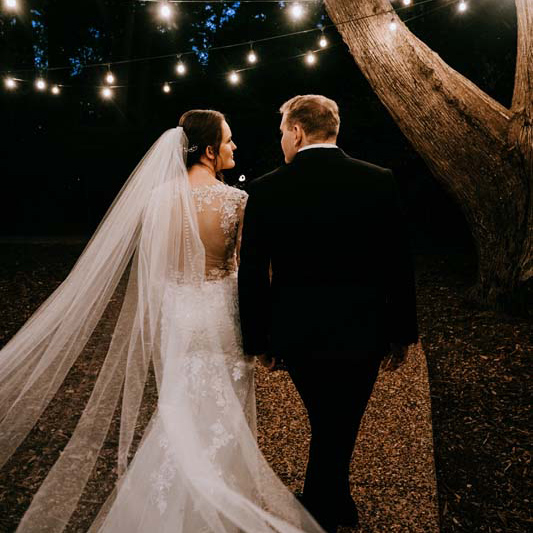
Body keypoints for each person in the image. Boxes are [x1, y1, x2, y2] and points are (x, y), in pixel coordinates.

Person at [0, 110, 325, 533]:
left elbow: (153, 270)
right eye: (228, 141)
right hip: (222, 315)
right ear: (209, 152)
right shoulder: (237, 201)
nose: (234, 147)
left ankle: (172, 506)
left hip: (177, 312)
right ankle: (219, 502)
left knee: (180, 409)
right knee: (223, 412)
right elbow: (248, 273)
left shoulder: (157, 199)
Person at [238, 94, 419, 533]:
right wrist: (403, 333)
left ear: (297, 131)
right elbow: (399, 261)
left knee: (328, 417)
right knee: (338, 418)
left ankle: (324, 504)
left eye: (283, 131)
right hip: (366, 329)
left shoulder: (265, 188)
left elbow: (253, 272)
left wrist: (259, 339)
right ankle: (331, 500)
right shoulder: (379, 180)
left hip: (298, 332)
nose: (282, 139)